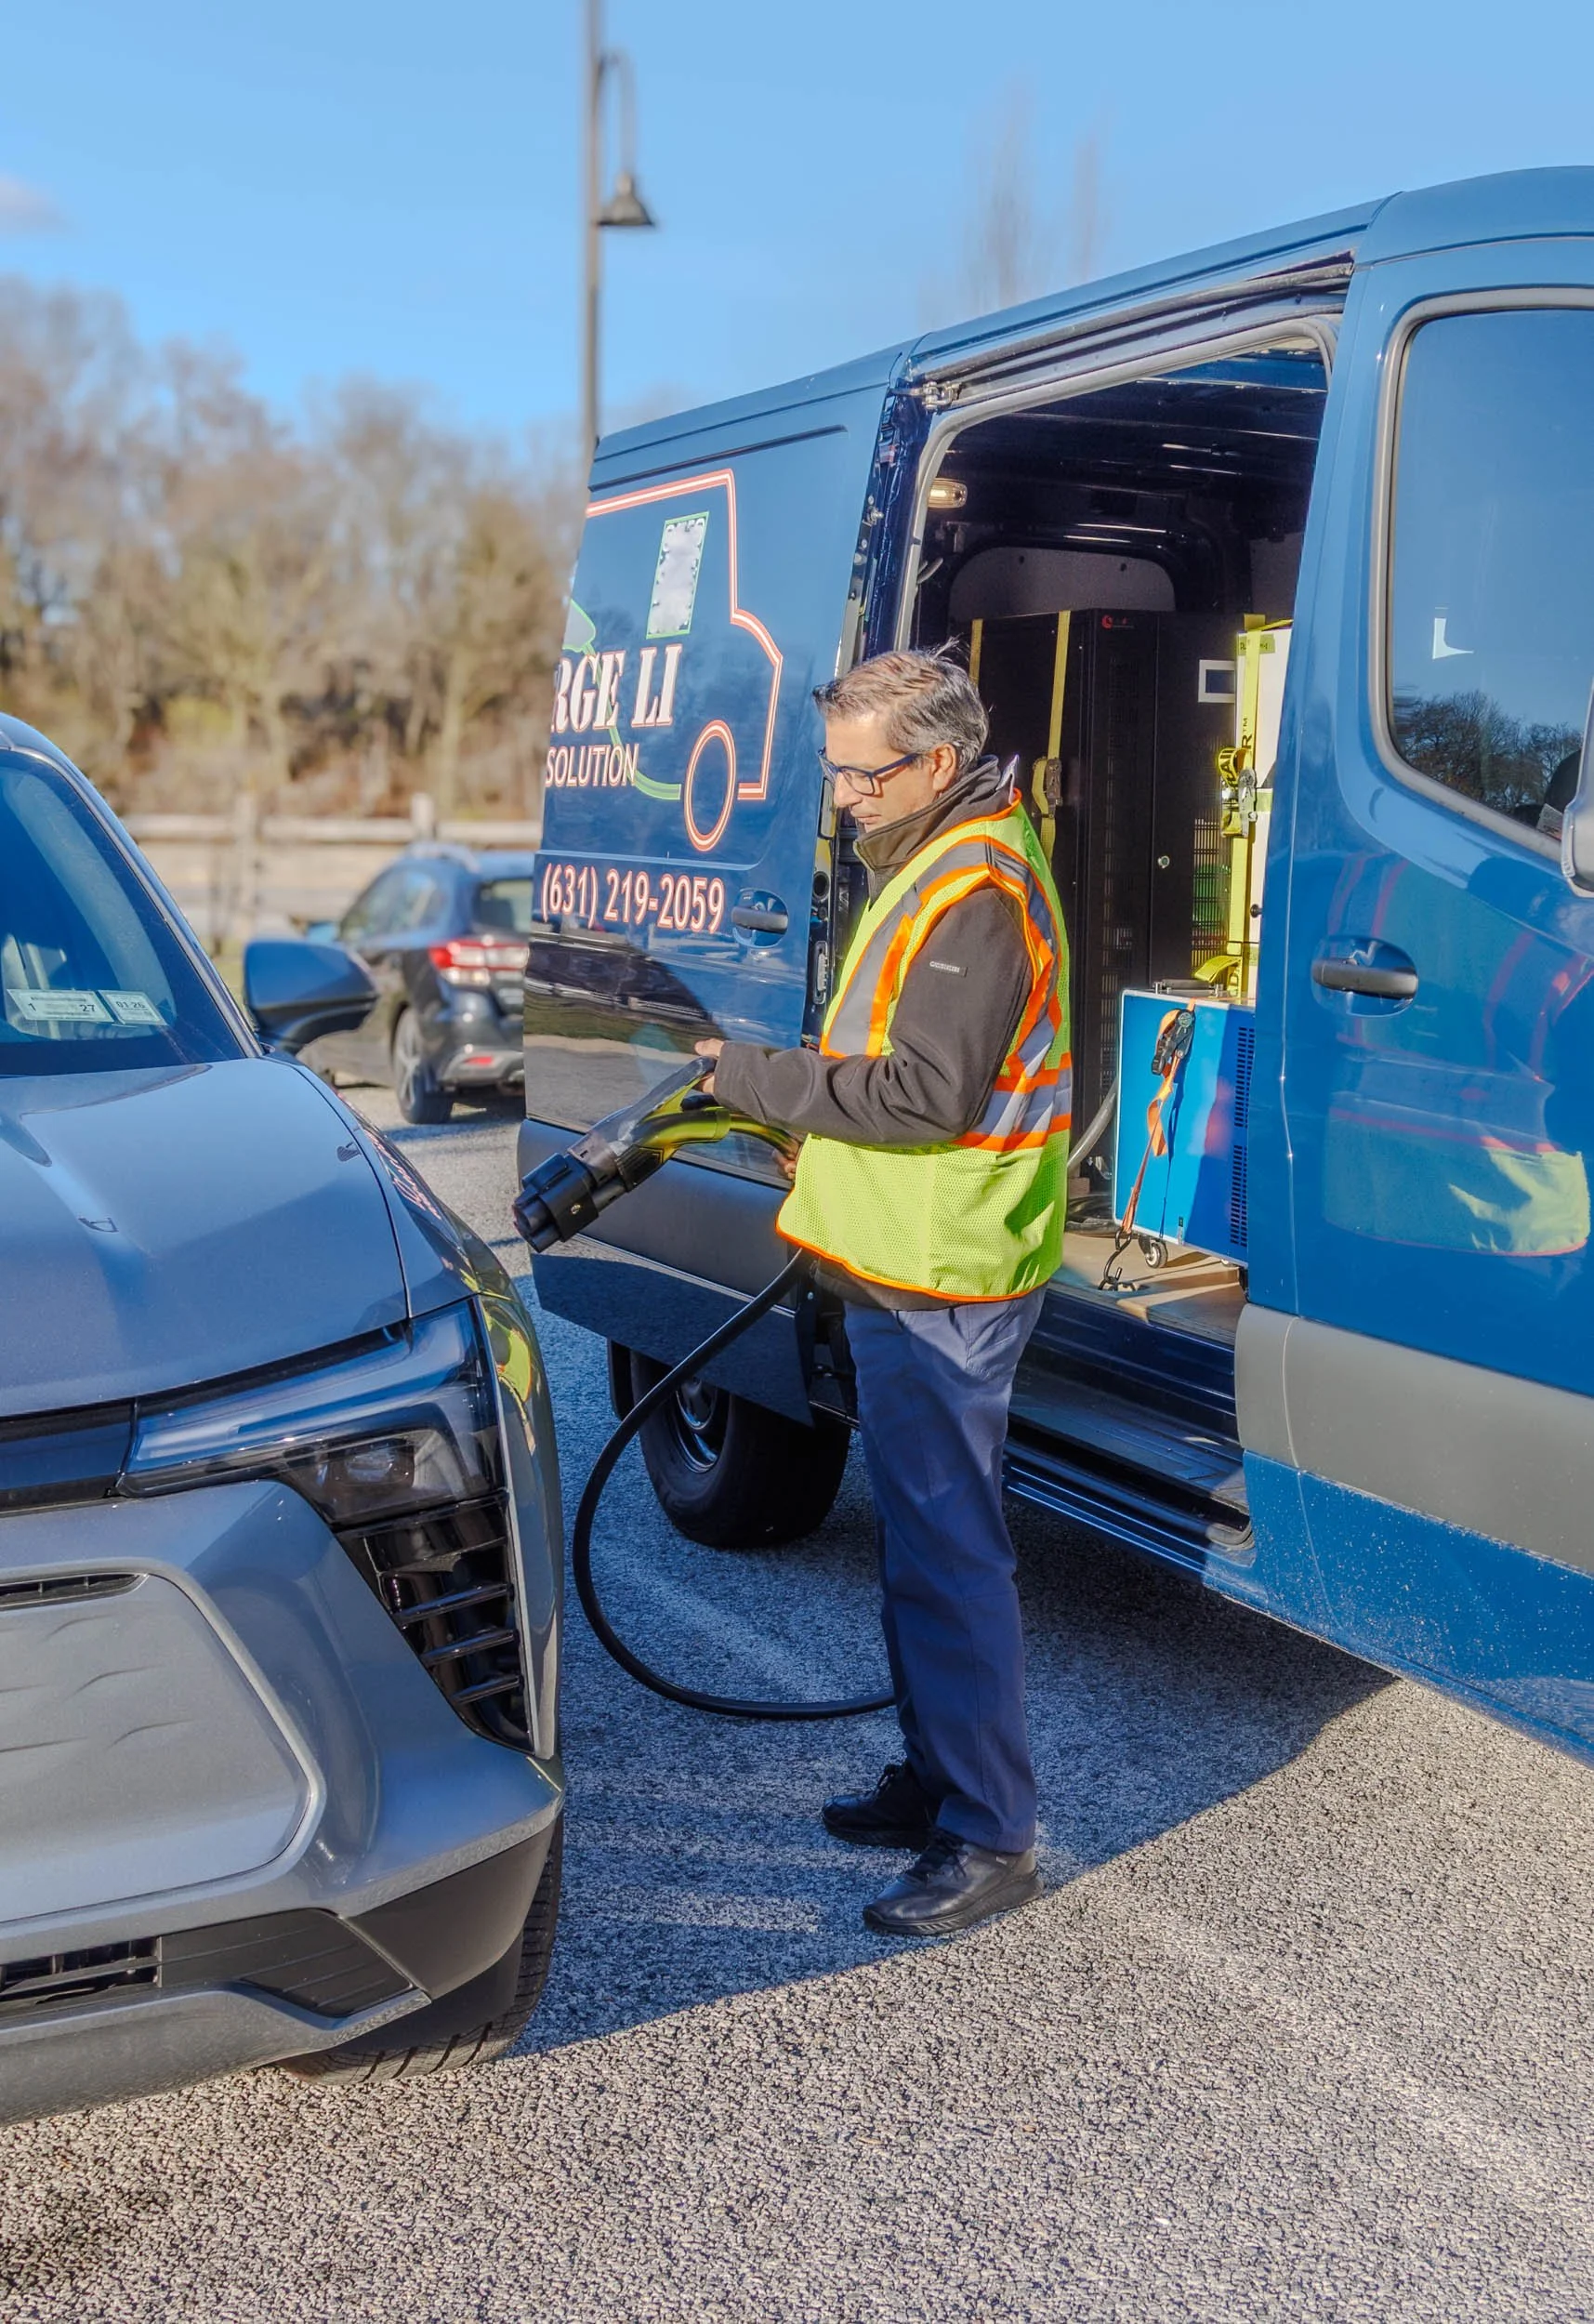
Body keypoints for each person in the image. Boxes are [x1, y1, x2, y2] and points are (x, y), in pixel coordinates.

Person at [697, 647, 1072, 1938]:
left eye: (861, 776)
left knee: (949, 1552)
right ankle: (934, 1777)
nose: (841, 798)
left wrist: (754, 1079)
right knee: (917, 1547)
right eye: (835, 773)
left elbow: (924, 1095)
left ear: (935, 761)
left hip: (943, 1267)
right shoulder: (931, 850)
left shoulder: (975, 884)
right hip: (897, 1252)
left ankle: (986, 1835)